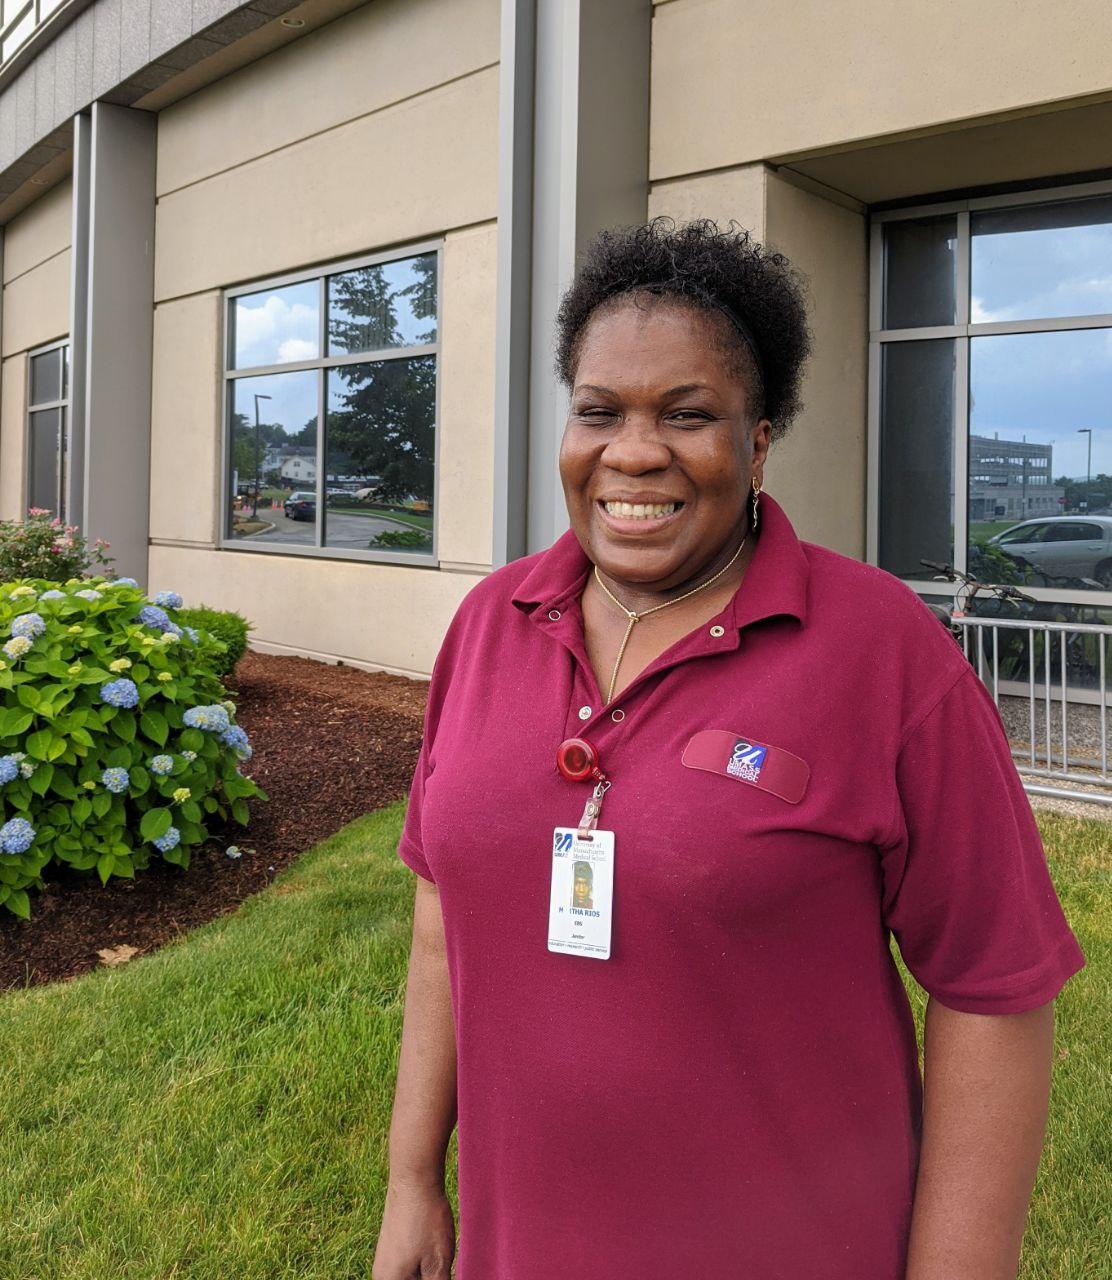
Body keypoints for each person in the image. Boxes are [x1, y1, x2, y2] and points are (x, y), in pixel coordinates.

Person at [372, 219, 1085, 1280]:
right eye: (597, 410)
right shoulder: (490, 620)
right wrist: (409, 1176)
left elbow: (991, 991)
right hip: (521, 1244)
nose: (632, 450)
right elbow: (442, 918)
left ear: (755, 443)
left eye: (687, 413)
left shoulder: (881, 650)